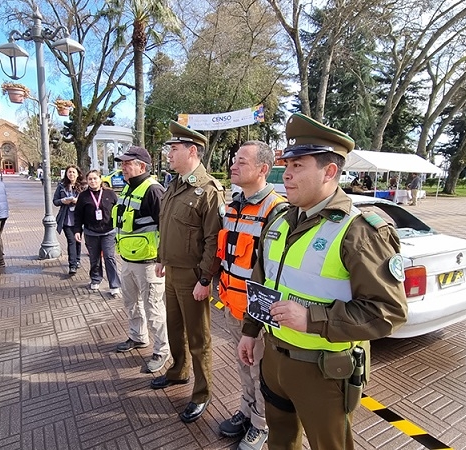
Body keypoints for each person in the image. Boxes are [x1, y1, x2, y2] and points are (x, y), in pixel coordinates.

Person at [237, 113, 408, 450]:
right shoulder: (281, 219)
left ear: (330, 172)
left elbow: (388, 312)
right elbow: (264, 278)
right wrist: (250, 331)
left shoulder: (359, 231)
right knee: (280, 440)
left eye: (298, 165)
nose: (285, 173)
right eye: (287, 164)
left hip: (324, 372)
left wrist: (311, 319)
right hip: (274, 359)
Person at [150, 121, 225, 424]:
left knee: (199, 337)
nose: (169, 153)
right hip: (172, 270)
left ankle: (202, 393)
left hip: (193, 276)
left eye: (174, 148)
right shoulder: (175, 185)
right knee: (173, 327)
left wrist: (205, 279)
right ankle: (178, 371)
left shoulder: (207, 191)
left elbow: (213, 240)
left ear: (192, 151)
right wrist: (161, 257)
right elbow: (167, 225)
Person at [216, 141, 287, 450]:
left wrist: (256, 320)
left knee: (260, 373)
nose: (234, 165)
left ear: (263, 169)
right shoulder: (234, 205)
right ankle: (247, 411)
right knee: (244, 367)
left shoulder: (276, 210)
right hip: (232, 307)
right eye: (234, 160)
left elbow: (272, 272)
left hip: (255, 316)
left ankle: (261, 425)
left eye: (241, 161)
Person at [111, 147, 170, 373]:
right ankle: (138, 337)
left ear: (142, 166)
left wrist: (162, 258)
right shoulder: (128, 188)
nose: (123, 167)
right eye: (122, 163)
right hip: (127, 259)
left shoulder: (154, 191)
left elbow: (166, 227)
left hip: (148, 263)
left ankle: (162, 350)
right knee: (131, 302)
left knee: (153, 309)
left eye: (127, 164)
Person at [74, 170, 121, 295]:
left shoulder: (110, 194)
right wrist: (77, 230)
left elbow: (118, 211)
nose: (93, 181)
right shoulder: (83, 196)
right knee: (94, 258)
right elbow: (78, 215)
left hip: (108, 232)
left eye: (95, 178)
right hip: (91, 232)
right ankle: (96, 279)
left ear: (100, 179)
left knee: (109, 257)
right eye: (90, 179)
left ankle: (114, 284)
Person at [54, 165, 85, 274]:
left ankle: (77, 260)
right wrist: (63, 201)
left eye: (73, 172)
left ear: (77, 174)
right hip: (66, 218)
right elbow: (55, 201)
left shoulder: (83, 186)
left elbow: (87, 201)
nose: (71, 174)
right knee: (71, 240)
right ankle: (72, 265)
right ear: (66, 174)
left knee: (78, 240)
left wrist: (78, 201)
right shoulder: (61, 186)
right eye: (69, 172)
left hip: (79, 218)